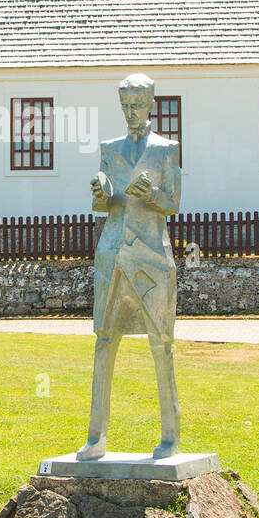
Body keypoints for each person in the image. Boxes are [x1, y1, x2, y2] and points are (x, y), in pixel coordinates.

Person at [79, 73, 182, 461]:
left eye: (137, 105)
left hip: (152, 257)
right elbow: (103, 203)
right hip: (112, 255)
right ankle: (95, 437)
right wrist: (102, 196)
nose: (131, 112)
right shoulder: (109, 148)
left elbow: (173, 202)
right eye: (125, 106)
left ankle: (169, 437)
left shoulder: (166, 149)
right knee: (104, 342)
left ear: (152, 104)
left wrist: (152, 194)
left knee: (161, 346)